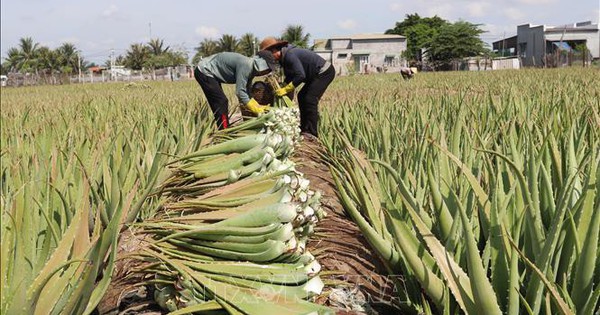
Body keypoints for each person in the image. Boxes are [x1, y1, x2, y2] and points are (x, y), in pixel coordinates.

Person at [259, 37, 335, 138]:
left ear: (274, 51)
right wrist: (284, 84)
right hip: (313, 76)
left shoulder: (290, 55)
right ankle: (304, 129)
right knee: (301, 96)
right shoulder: (284, 58)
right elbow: (291, 75)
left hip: (323, 72)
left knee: (309, 99)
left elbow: (300, 75)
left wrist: (286, 89)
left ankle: (312, 133)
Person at [194, 51, 278, 129]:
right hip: (204, 71)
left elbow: (247, 91)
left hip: (211, 73)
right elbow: (240, 92)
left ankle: (223, 126)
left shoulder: (251, 71)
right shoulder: (247, 65)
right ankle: (224, 130)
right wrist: (255, 109)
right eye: (267, 69)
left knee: (219, 103)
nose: (267, 72)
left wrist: (258, 106)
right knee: (221, 102)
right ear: (261, 63)